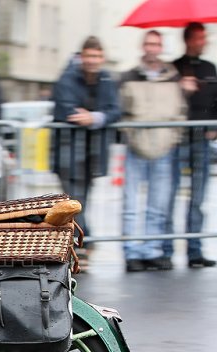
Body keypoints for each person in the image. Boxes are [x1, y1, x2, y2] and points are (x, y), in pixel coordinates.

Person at [120, 30, 187, 273]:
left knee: (157, 204)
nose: (152, 48)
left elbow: (180, 112)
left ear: (161, 48)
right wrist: (130, 134)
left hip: (164, 148)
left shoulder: (172, 78)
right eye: (148, 43)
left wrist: (173, 138)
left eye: (156, 44)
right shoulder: (128, 76)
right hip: (136, 147)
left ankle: (151, 251)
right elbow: (122, 110)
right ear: (142, 46)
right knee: (131, 203)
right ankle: (131, 251)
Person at [52, 36, 121, 255]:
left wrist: (94, 117)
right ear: (82, 56)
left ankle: (79, 241)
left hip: (93, 149)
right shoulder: (67, 78)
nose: (93, 60)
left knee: (84, 198)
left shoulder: (106, 80)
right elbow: (67, 111)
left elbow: (115, 110)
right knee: (74, 197)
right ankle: (82, 241)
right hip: (68, 149)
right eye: (90, 55)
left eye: (98, 56)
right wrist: (96, 117)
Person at [168, 22, 217, 268]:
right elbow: (166, 102)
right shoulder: (175, 68)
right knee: (170, 196)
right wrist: (181, 88)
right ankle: (165, 251)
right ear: (188, 39)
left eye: (204, 38)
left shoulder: (210, 68)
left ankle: (195, 251)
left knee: (198, 199)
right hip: (177, 140)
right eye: (199, 38)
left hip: (201, 141)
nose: (203, 42)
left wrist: (214, 128)